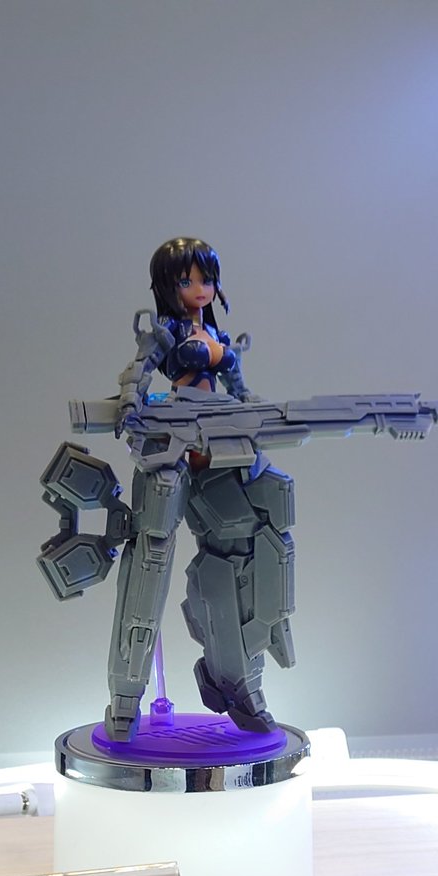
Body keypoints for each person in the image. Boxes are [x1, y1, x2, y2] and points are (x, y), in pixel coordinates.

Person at [105, 238, 295, 742]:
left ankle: (237, 682)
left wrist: (258, 413)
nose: (199, 288)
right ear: (168, 286)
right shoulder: (165, 333)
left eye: (206, 279)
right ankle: (126, 698)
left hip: (216, 453)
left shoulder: (216, 334)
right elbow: (137, 374)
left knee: (244, 555)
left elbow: (240, 389)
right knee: (149, 563)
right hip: (170, 454)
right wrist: (130, 404)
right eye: (187, 280)